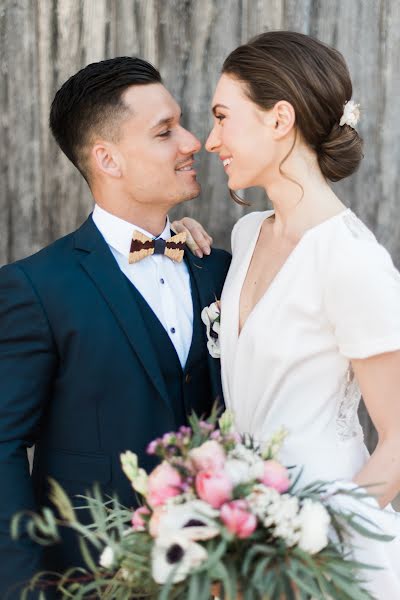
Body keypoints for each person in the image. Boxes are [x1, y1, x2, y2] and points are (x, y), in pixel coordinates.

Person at [173, 31, 400, 598]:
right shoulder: (249, 235)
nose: (210, 139)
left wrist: (307, 544)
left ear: (279, 119)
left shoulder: (349, 259)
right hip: (245, 544)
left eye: (224, 117)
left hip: (321, 552)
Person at [0, 57, 230, 598]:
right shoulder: (36, 288)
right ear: (108, 159)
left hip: (224, 571)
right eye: (164, 132)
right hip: (92, 577)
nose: (193, 142)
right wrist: (27, 588)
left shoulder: (220, 269)